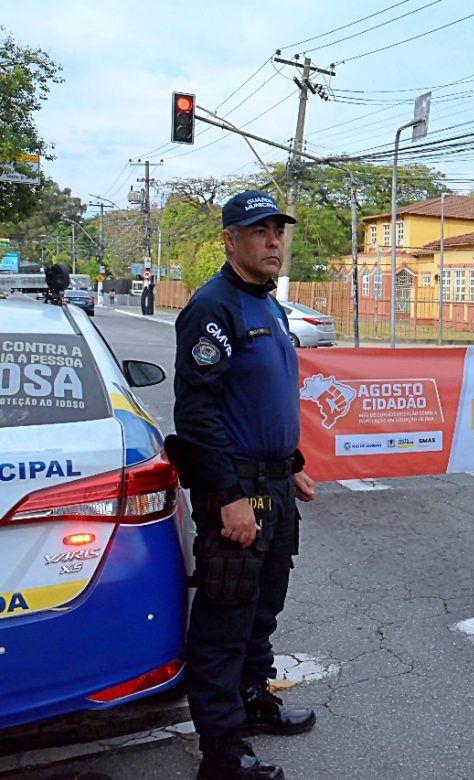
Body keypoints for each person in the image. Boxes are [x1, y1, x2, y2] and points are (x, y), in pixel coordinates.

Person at [172, 190, 316, 780]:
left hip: (276, 486)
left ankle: (254, 702)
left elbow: (264, 396)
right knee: (225, 624)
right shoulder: (215, 308)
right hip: (238, 493)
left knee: (262, 611)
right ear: (231, 239)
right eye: (259, 231)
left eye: (278, 230)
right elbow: (198, 414)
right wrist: (229, 496)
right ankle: (222, 757)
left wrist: (294, 460)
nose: (274, 241)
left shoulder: (270, 306)